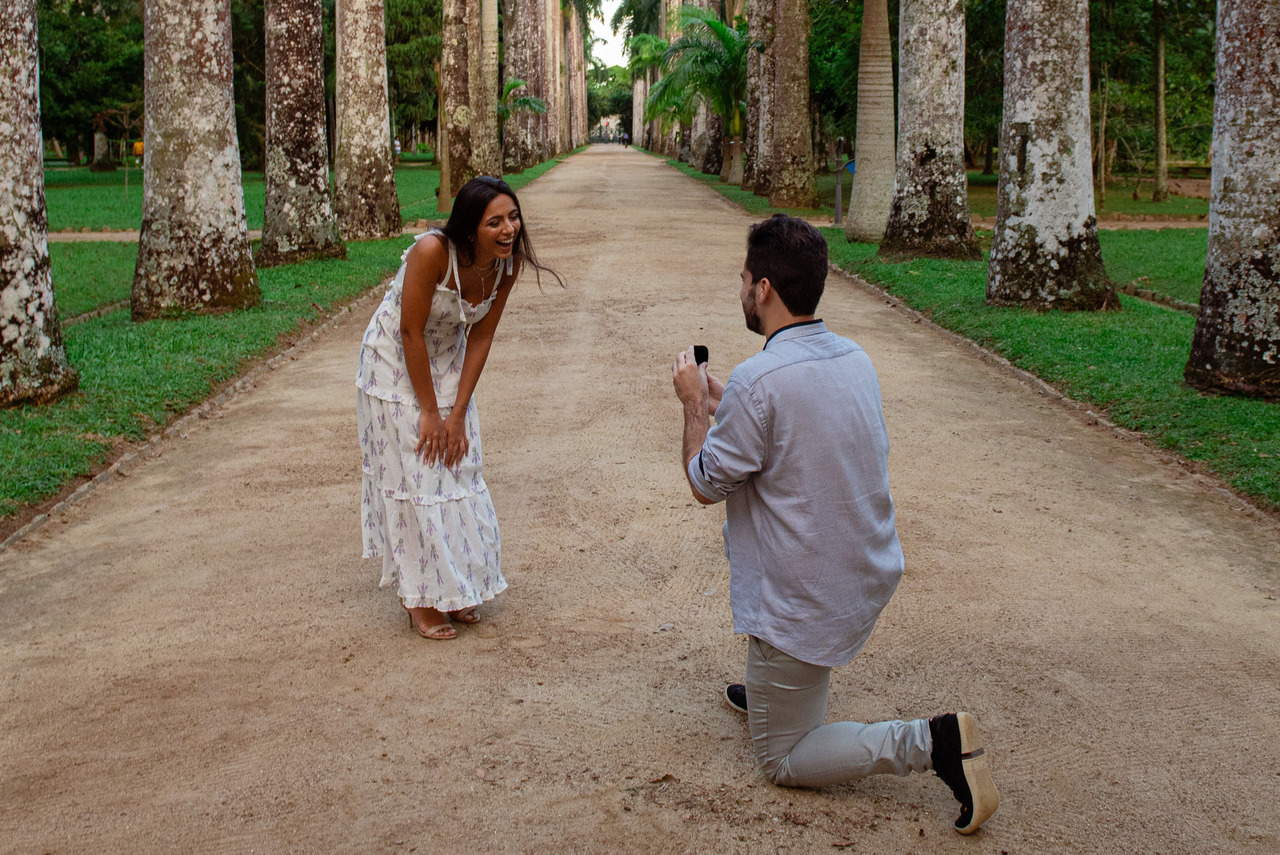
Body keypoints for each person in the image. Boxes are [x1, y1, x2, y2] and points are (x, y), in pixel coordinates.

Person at [670, 214, 999, 834]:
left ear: (763, 288)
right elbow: (786, 426)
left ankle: (933, 743)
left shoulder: (759, 380)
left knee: (783, 758)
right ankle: (773, 694)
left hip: (805, 601)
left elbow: (704, 484)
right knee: (784, 569)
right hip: (858, 575)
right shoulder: (853, 358)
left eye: (744, 279)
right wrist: (724, 396)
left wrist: (693, 402)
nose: (741, 289)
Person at [357, 176, 557, 640]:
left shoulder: (507, 265)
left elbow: (482, 336)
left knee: (458, 466)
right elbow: (409, 332)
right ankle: (420, 598)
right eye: (495, 222)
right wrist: (429, 411)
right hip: (393, 360)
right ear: (469, 229)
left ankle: (456, 583)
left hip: (445, 357)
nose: (509, 229)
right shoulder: (432, 252)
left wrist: (458, 411)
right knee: (420, 470)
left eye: (512, 217)